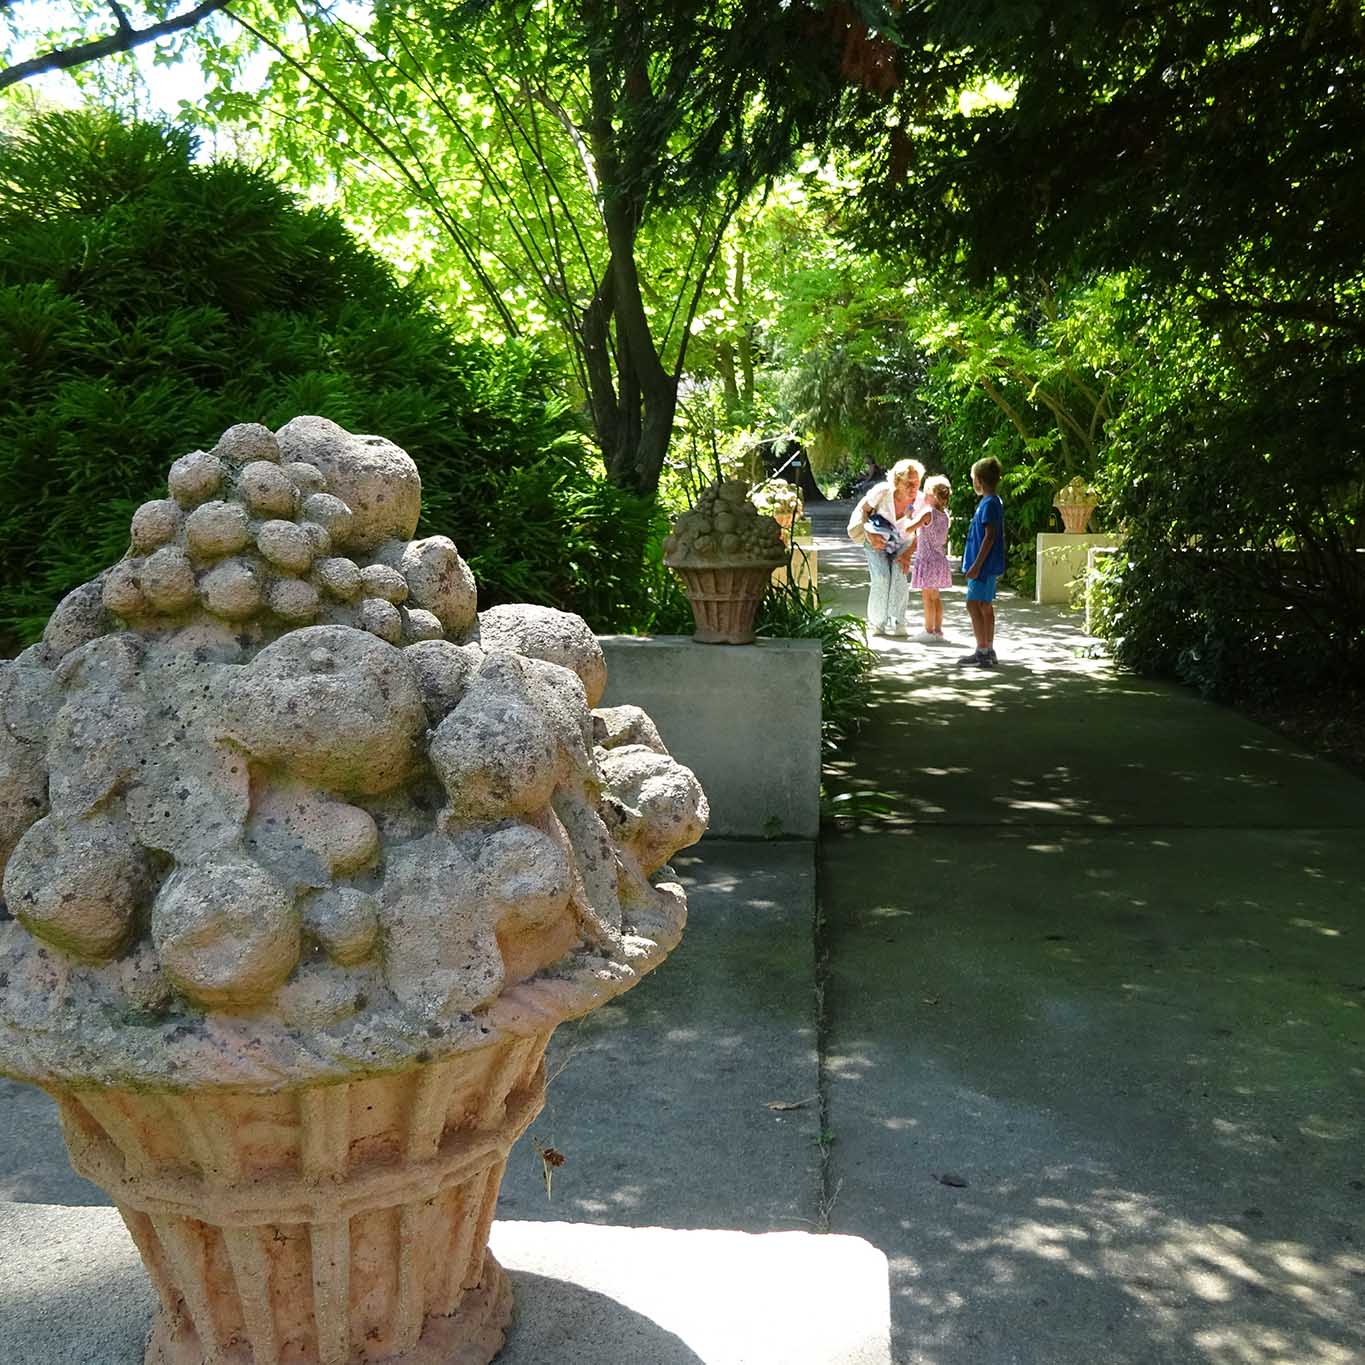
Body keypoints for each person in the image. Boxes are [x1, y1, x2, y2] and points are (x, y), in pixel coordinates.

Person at [847, 458, 924, 637]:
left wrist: (908, 554)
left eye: (917, 483)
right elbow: (864, 511)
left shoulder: (920, 500)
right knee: (881, 578)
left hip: (903, 543)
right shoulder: (882, 492)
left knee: (899, 578)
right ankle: (877, 623)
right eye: (909, 483)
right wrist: (869, 535)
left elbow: (922, 531)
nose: (914, 487)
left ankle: (898, 622)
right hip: (876, 539)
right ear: (897, 481)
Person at [958, 456, 1005, 667]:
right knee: (985, 605)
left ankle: (982, 651)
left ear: (978, 480)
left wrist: (976, 565)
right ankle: (988, 648)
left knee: (973, 604)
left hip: (983, 567)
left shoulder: (989, 504)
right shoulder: (992, 502)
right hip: (986, 566)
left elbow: (989, 536)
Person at [907, 475, 952, 643]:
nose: (923, 496)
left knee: (927, 597)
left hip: (927, 560)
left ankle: (928, 630)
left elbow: (910, 528)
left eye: (926, 493)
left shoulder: (927, 513)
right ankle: (938, 631)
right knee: (936, 597)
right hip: (939, 560)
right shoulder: (945, 515)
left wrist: (908, 515)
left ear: (933, 495)